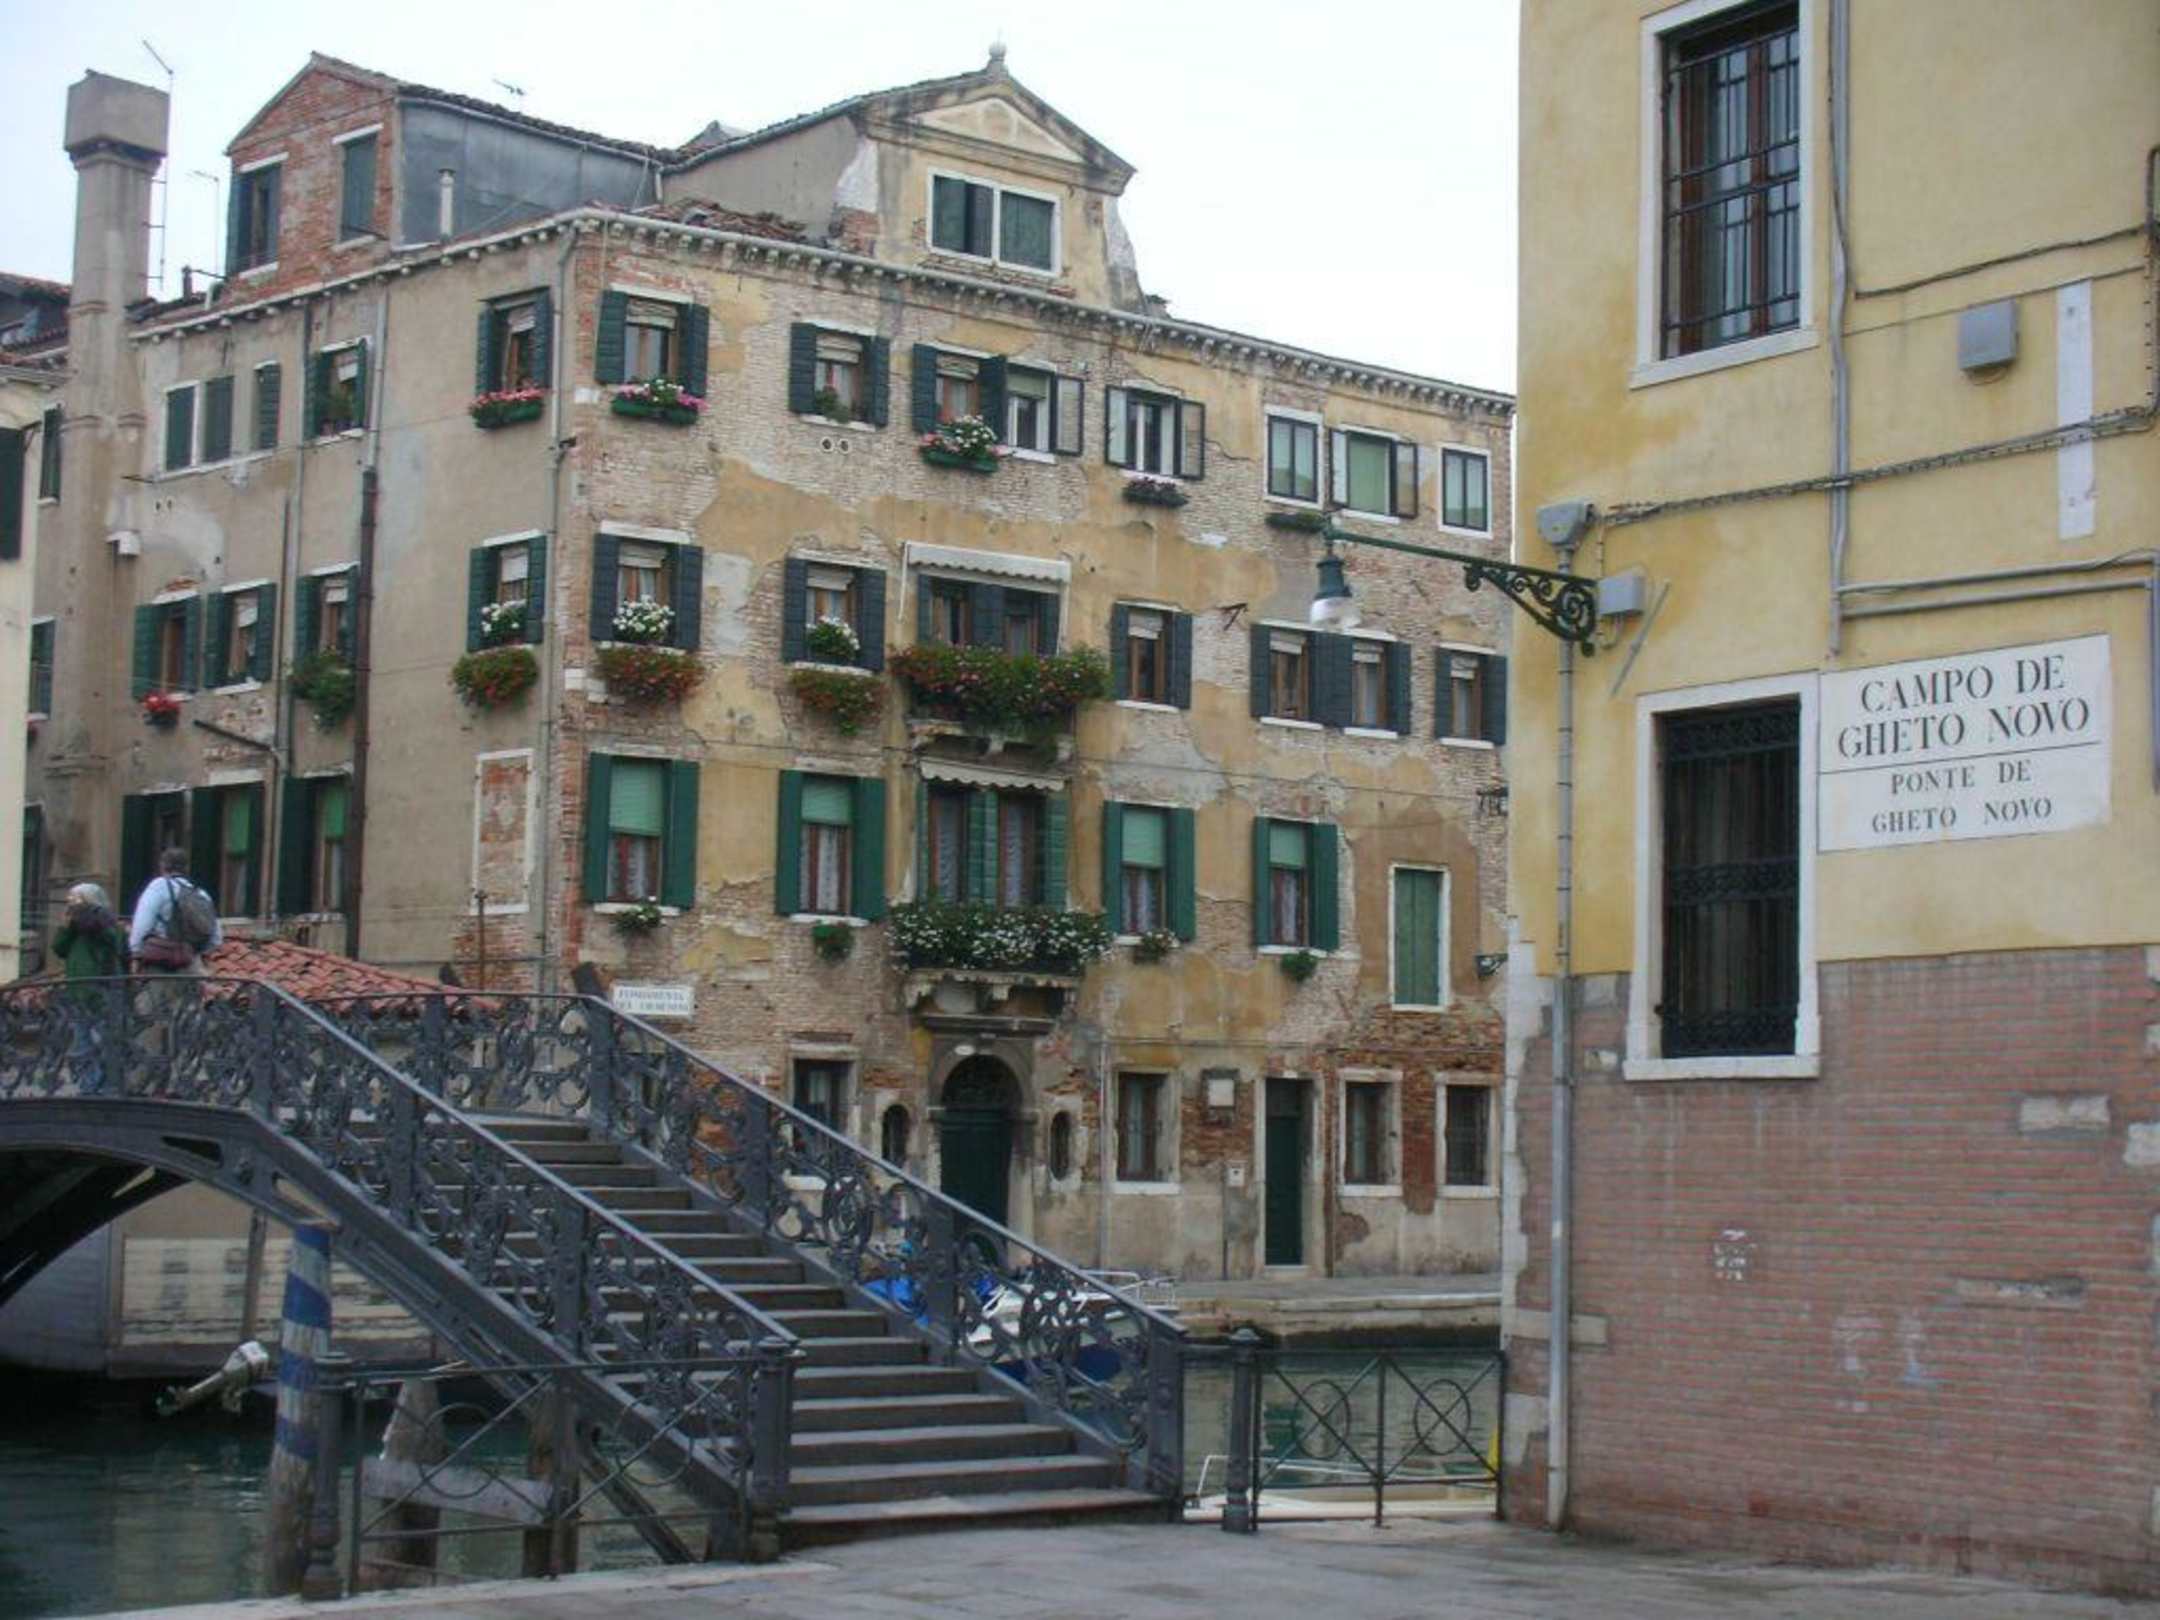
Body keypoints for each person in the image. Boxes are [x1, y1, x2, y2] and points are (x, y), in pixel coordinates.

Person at [130, 850, 223, 975]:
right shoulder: (201, 893)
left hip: (160, 962)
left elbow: (142, 924)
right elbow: (216, 938)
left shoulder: (158, 886)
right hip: (191, 963)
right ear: (187, 868)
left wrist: (136, 953)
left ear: (162, 866)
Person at [54, 882, 127, 983]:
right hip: (77, 981)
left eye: (76, 899)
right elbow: (59, 949)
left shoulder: (107, 922)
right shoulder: (72, 926)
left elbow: (115, 944)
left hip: (101, 982)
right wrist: (66, 927)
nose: (70, 903)